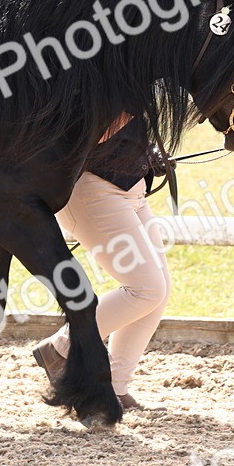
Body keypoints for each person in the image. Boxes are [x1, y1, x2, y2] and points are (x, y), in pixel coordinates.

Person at [32, 114, 171, 411]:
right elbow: (88, 126)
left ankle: (116, 386)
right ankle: (61, 348)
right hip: (93, 188)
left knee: (158, 293)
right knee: (146, 289)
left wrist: (145, 151)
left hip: (130, 186)